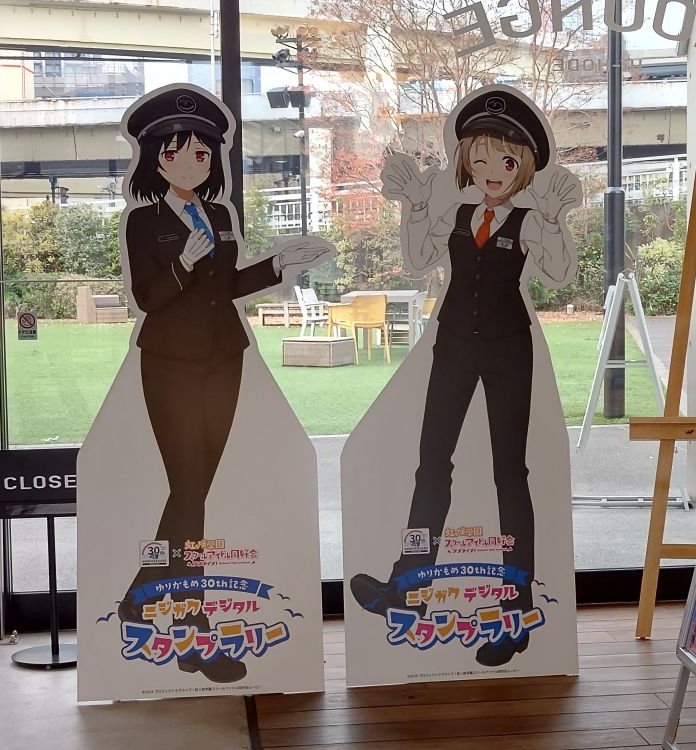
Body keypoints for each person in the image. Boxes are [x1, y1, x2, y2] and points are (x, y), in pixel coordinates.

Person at [349, 87, 581, 667]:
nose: (491, 171)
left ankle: (516, 608)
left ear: (524, 166)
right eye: (479, 159)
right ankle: (407, 585)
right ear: (465, 163)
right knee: (431, 463)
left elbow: (558, 273)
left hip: (508, 349)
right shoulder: (455, 215)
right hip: (452, 343)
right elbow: (418, 260)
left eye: (506, 160)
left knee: (511, 473)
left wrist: (556, 221)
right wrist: (413, 206)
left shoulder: (529, 220)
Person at [113, 86, 330, 683]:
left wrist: (281, 264)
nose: (193, 161)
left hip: (223, 358)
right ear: (156, 159)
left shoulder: (221, 215)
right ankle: (192, 628)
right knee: (188, 492)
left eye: (202, 152)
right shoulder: (143, 221)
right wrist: (182, 262)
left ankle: (141, 596)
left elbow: (228, 286)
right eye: (178, 151)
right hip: (170, 363)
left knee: (194, 491)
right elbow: (148, 298)